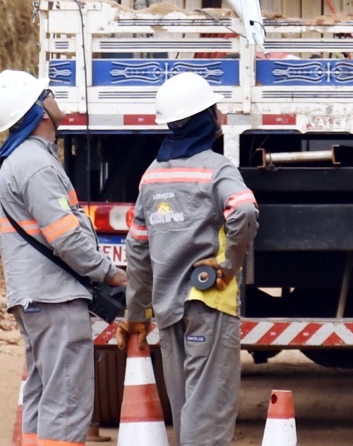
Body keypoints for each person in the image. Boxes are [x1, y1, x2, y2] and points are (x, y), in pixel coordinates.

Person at [121, 72, 259, 446]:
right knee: (208, 412)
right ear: (206, 119)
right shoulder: (216, 169)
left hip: (167, 312)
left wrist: (135, 315)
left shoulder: (150, 178)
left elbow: (137, 252)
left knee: (185, 410)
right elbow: (244, 211)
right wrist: (229, 266)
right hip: (207, 306)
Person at [0, 68, 125, 446]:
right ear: (40, 111)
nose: (54, 96)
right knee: (66, 403)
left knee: (43, 394)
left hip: (37, 298)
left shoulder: (20, 161)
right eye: (47, 93)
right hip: (55, 300)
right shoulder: (36, 165)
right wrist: (110, 273)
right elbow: (65, 238)